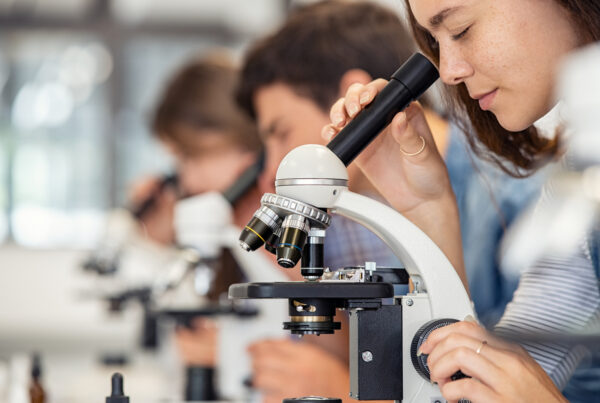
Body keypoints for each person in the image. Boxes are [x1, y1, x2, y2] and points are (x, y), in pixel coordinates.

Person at [236, 1, 546, 401]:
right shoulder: (373, 200)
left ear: (351, 95)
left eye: (280, 133)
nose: (271, 168)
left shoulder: (521, 197)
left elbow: (525, 382)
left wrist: (341, 390)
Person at [323, 1, 600, 402]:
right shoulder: (580, 172)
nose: (449, 72)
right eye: (436, 43)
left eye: (462, 29)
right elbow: (484, 380)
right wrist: (426, 207)